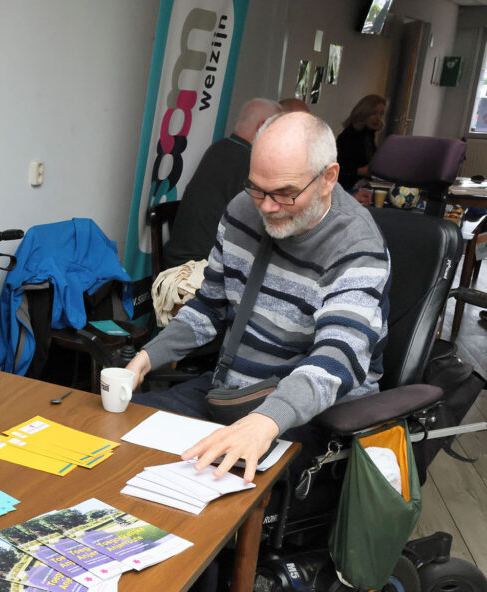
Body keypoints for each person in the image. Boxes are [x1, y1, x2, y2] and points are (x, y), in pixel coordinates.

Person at [126, 112, 390, 482]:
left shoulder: (357, 247)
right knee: (122, 439)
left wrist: (265, 421)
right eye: (257, 188)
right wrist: (147, 358)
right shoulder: (241, 210)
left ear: (329, 178)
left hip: (311, 411)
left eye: (285, 193)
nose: (265, 206)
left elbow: (339, 357)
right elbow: (208, 307)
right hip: (232, 392)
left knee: (211, 486)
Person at [161, 98, 282, 269]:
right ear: (262, 126)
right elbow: (264, 225)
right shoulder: (246, 162)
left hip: (183, 261)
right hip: (197, 271)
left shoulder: (221, 148)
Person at [336, 94, 387, 191]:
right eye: (374, 113)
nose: (378, 118)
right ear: (364, 113)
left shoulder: (369, 135)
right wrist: (362, 171)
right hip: (348, 188)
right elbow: (340, 167)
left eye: (381, 114)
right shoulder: (348, 136)